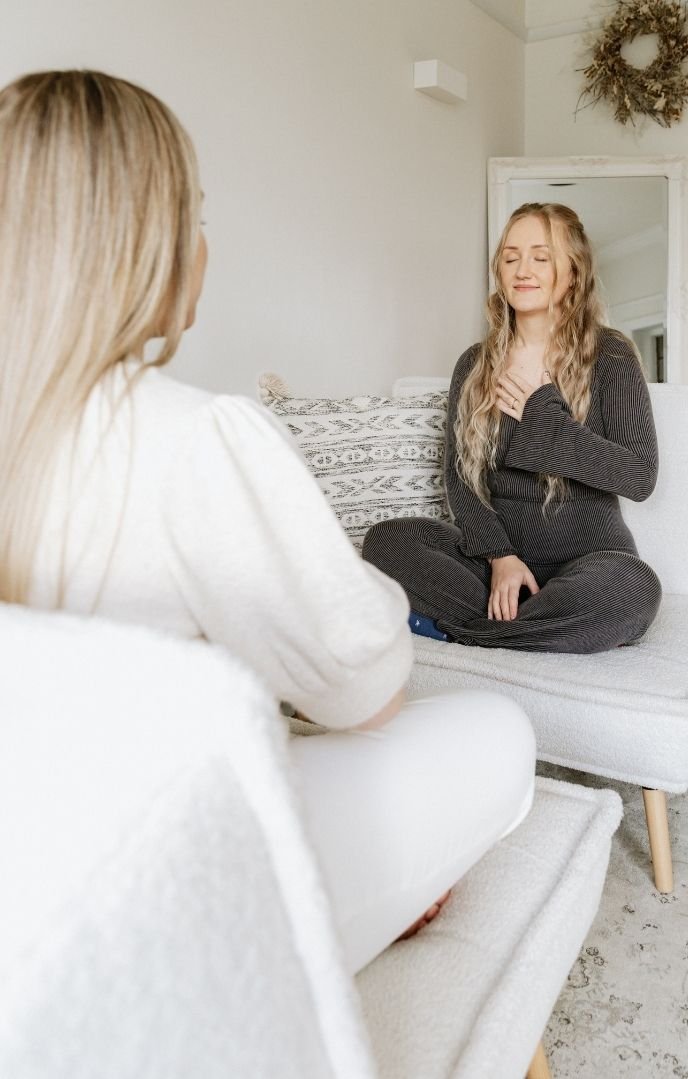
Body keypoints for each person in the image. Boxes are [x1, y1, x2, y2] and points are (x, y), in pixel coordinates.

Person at [0, 70, 535, 975]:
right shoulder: (199, 434)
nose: (206, 246)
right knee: (500, 727)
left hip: (34, 866)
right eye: (196, 216)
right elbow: (368, 685)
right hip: (162, 892)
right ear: (149, 244)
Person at [363, 202, 662, 653]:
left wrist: (546, 420)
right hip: (494, 568)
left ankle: (467, 630)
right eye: (510, 256)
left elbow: (639, 477)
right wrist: (500, 557)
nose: (523, 269)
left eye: (541, 257)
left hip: (590, 564)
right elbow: (461, 480)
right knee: (388, 540)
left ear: (573, 270)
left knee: (634, 588)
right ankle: (535, 629)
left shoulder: (611, 355)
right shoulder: (474, 363)